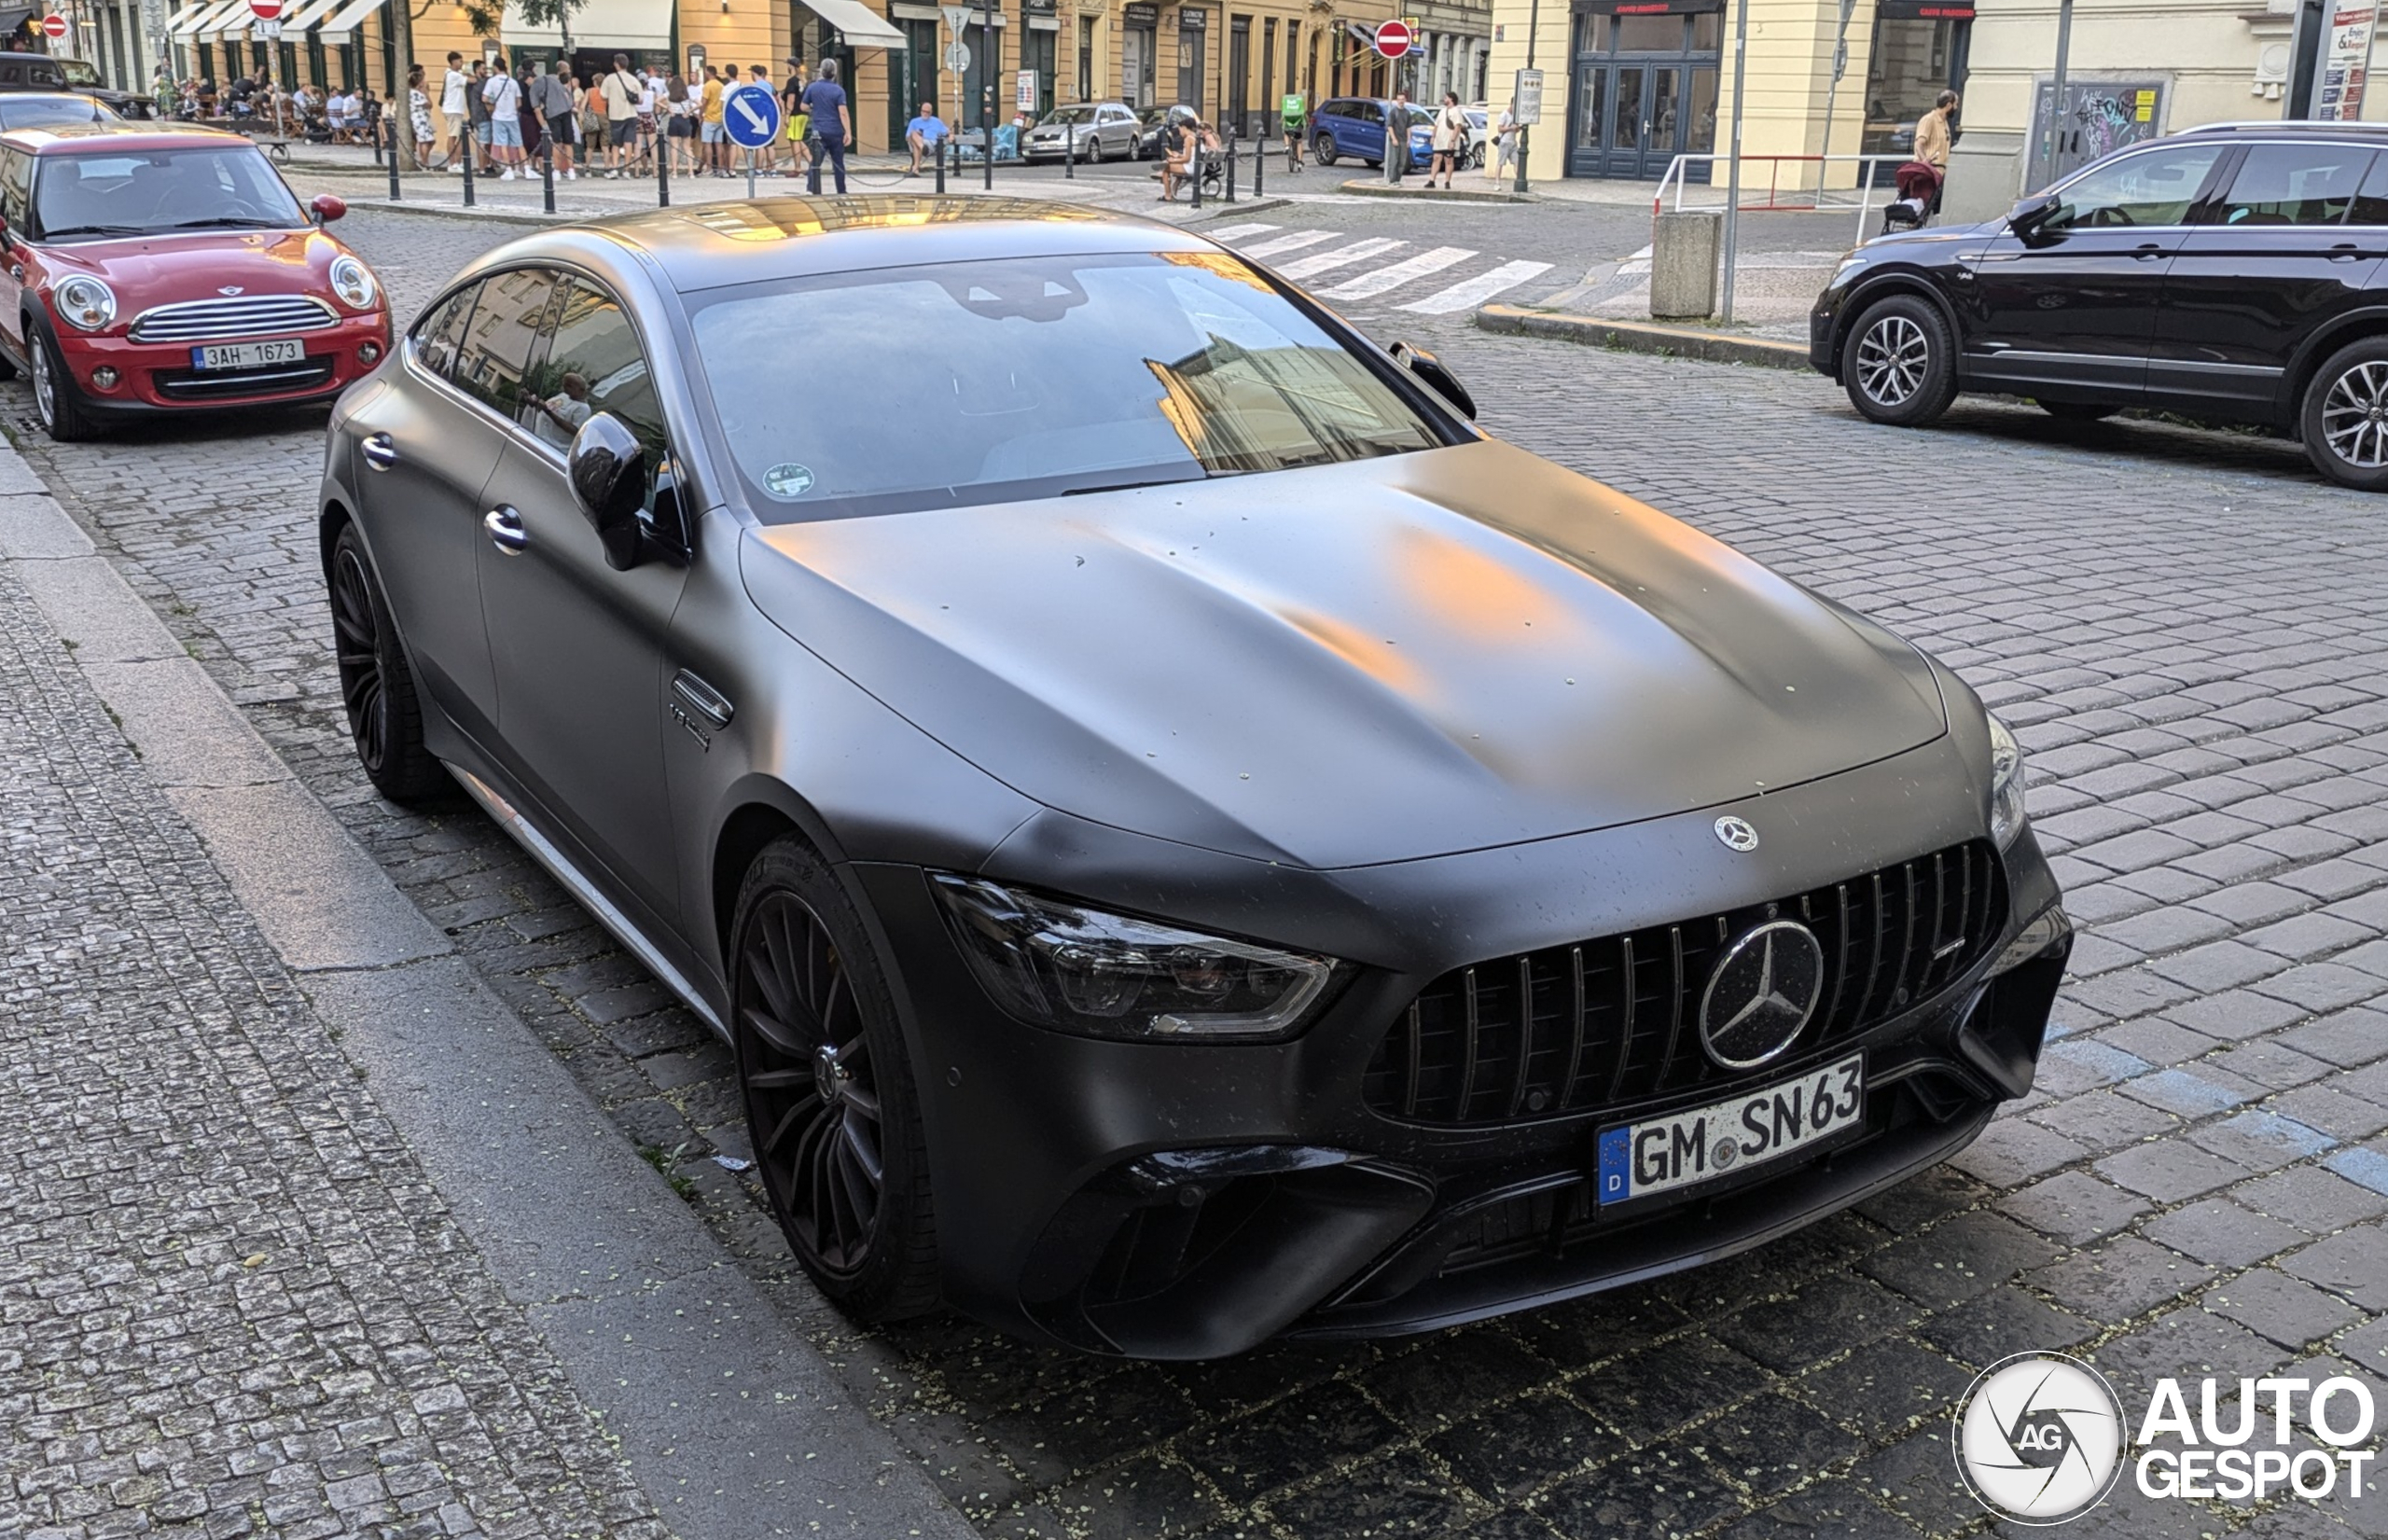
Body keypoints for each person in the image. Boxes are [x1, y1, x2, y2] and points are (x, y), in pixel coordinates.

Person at [800, 57, 849, 194]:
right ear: (834, 72)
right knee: (838, 163)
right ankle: (841, 190)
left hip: (819, 131)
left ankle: (811, 189)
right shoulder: (838, 90)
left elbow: (803, 106)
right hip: (836, 131)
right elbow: (843, 113)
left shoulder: (813, 87)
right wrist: (848, 132)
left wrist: (814, 108)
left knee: (815, 162)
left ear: (821, 71)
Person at [532, 60, 576, 178]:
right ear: (564, 71)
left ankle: (557, 170)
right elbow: (570, 101)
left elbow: (537, 105)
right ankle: (570, 170)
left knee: (557, 143)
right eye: (568, 71)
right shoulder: (560, 82)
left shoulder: (547, 80)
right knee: (567, 143)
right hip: (565, 112)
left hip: (553, 113)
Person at [599, 54, 640, 176]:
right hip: (631, 114)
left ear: (616, 64)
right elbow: (640, 99)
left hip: (615, 114)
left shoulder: (610, 79)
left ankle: (615, 168)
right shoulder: (633, 79)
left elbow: (603, 96)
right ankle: (627, 170)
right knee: (629, 142)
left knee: (616, 143)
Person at [482, 61, 524, 177]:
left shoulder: (492, 81)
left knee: (502, 144)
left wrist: (494, 102)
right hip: (512, 116)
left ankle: (508, 169)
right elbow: (519, 102)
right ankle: (525, 167)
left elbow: (484, 98)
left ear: (495, 67)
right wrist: (511, 108)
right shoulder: (513, 82)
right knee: (518, 143)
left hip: (498, 117)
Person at [532, 372, 592, 449]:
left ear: (581, 390)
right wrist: (534, 402)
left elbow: (574, 431)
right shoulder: (564, 396)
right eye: (565, 385)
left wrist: (549, 413)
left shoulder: (583, 409)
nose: (565, 388)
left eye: (569, 386)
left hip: (553, 447)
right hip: (537, 436)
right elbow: (546, 406)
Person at [1426, 90, 1465, 189]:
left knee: (1448, 160)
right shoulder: (1442, 111)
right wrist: (1433, 136)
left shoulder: (1456, 111)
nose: (1444, 99)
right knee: (1436, 158)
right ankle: (1432, 180)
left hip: (1448, 140)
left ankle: (1447, 181)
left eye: (1446, 97)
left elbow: (1457, 126)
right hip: (1439, 140)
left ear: (1451, 99)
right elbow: (1436, 125)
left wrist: (1453, 141)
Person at [437, 51, 468, 169]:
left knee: (458, 136)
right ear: (454, 61)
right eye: (460, 61)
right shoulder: (453, 75)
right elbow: (470, 80)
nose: (462, 63)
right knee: (453, 136)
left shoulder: (453, 73)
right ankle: (453, 163)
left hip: (456, 109)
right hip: (453, 109)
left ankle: (457, 162)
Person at [905, 100, 945, 174]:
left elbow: (948, 132)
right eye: (923, 111)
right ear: (920, 111)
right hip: (919, 143)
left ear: (931, 112)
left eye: (927, 112)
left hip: (930, 144)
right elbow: (907, 138)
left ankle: (915, 169)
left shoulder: (937, 121)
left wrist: (951, 135)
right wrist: (917, 134)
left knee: (916, 144)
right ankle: (922, 147)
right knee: (914, 134)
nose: (925, 113)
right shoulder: (914, 121)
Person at [700, 63, 725, 174]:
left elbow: (704, 102)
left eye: (705, 71)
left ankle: (709, 168)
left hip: (709, 117)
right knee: (719, 144)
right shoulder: (721, 85)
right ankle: (720, 168)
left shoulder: (707, 85)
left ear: (708, 73)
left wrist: (701, 114)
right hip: (720, 117)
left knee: (708, 144)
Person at [408, 64, 434, 168]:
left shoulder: (415, 92)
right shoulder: (416, 94)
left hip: (423, 118)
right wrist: (426, 93)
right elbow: (429, 105)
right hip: (420, 119)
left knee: (429, 140)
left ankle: (424, 160)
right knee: (425, 141)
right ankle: (424, 161)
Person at [1383, 90, 1411, 185]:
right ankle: (1392, 180)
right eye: (1399, 99)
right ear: (1396, 100)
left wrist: (1409, 139)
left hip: (1403, 140)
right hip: (1395, 140)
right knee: (1394, 160)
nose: (1401, 101)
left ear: (1405, 100)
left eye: (1402, 99)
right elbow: (1390, 126)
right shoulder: (1393, 112)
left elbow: (1408, 127)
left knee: (1402, 162)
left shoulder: (1407, 113)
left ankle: (1397, 180)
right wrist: (1394, 138)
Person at [1489, 99, 1519, 183]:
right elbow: (1500, 129)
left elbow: (1516, 130)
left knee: (1517, 162)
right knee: (1500, 163)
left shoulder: (1515, 116)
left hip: (1513, 143)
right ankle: (1497, 182)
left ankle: (1519, 179)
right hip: (1504, 142)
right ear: (1511, 104)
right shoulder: (1504, 115)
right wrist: (1510, 128)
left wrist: (1517, 128)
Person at [1280, 90, 1304, 172]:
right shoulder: (1299, 104)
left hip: (1288, 123)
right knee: (1299, 142)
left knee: (1285, 132)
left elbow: (1283, 116)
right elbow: (1303, 115)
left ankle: (1287, 146)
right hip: (1297, 126)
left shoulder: (1287, 106)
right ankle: (1300, 162)